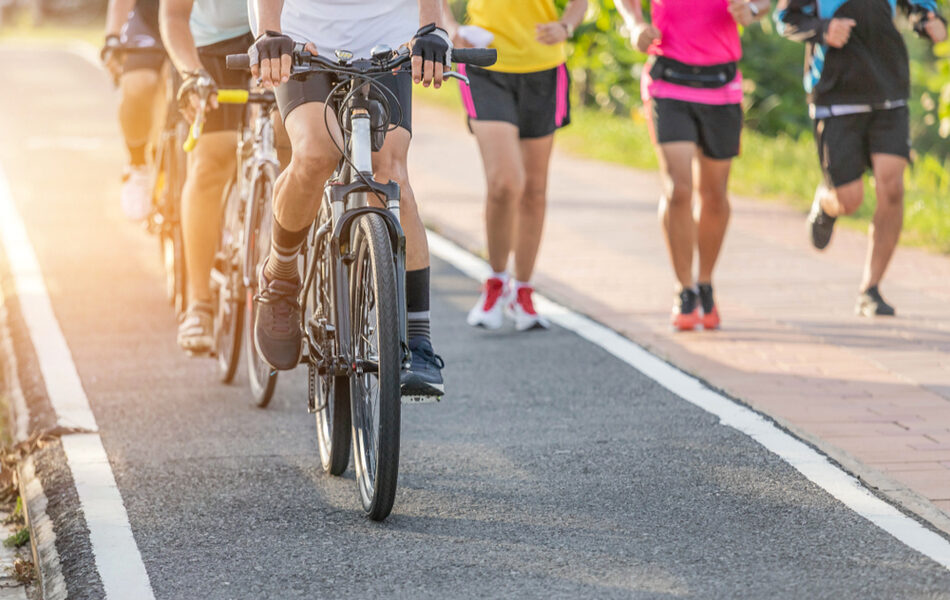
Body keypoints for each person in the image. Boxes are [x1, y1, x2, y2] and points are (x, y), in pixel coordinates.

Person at [248, 0, 451, 398]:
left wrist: (433, 29)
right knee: (314, 155)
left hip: (387, 33)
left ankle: (420, 342)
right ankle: (281, 274)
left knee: (389, 173)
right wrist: (269, 32)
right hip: (303, 32)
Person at [776, 0, 947, 317]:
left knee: (892, 188)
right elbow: (785, 18)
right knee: (850, 199)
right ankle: (826, 203)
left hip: (889, 92)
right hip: (835, 96)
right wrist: (824, 29)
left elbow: (920, 7)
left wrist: (930, 23)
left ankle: (871, 288)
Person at [616, 0, 769, 332]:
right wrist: (635, 24)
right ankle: (683, 289)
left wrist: (754, 10)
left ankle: (705, 282)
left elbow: (764, 3)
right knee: (678, 189)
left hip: (721, 82)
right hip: (668, 78)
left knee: (714, 196)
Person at [441, 0, 587, 331]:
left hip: (544, 68)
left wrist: (566, 26)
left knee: (534, 190)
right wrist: (449, 26)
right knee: (505, 182)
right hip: (484, 64)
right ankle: (495, 282)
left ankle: (522, 291)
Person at [160, 0, 254, 353]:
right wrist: (192, 73)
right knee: (211, 159)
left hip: (280, 36)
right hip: (208, 46)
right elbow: (173, 15)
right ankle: (198, 304)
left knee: (293, 145)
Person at [101, 0, 166, 221]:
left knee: (175, 82)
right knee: (140, 82)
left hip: (200, 20)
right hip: (149, 19)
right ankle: (138, 164)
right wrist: (113, 36)